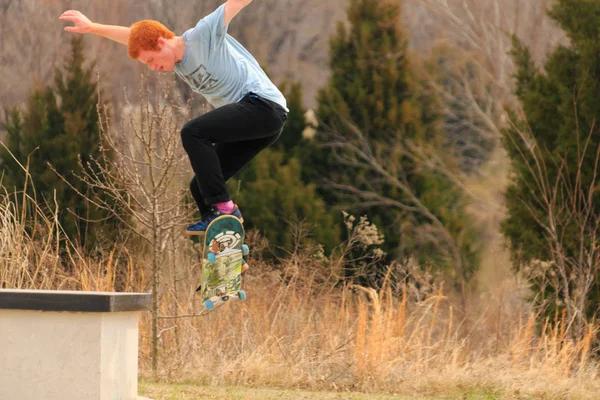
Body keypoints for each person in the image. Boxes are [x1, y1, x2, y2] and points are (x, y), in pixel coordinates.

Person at [60, 0, 288, 235]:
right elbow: (132, 35)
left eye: (150, 60)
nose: (153, 68)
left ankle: (224, 210)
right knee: (200, 187)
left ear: (161, 43)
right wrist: (92, 27)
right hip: (260, 124)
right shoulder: (176, 62)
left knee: (193, 132)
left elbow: (234, 4)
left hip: (263, 106)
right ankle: (225, 241)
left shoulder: (202, 34)